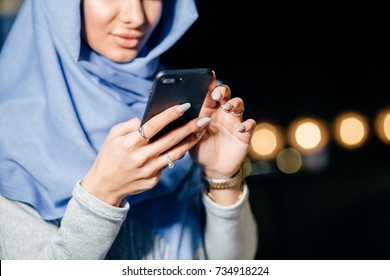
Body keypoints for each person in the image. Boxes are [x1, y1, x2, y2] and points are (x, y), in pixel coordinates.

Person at [0, 0, 258, 260]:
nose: (136, 16)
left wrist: (221, 179)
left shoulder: (187, 103)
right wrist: (103, 194)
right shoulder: (8, 133)